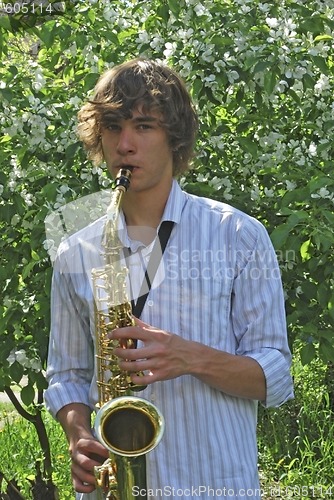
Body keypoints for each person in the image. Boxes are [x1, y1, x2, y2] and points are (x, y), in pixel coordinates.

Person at [45, 58, 294, 500]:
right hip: (114, 487)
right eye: (113, 126)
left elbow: (273, 377)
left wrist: (190, 357)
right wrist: (78, 434)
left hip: (216, 484)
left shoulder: (238, 235)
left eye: (143, 126)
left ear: (174, 137)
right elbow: (67, 375)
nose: (125, 144)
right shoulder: (75, 253)